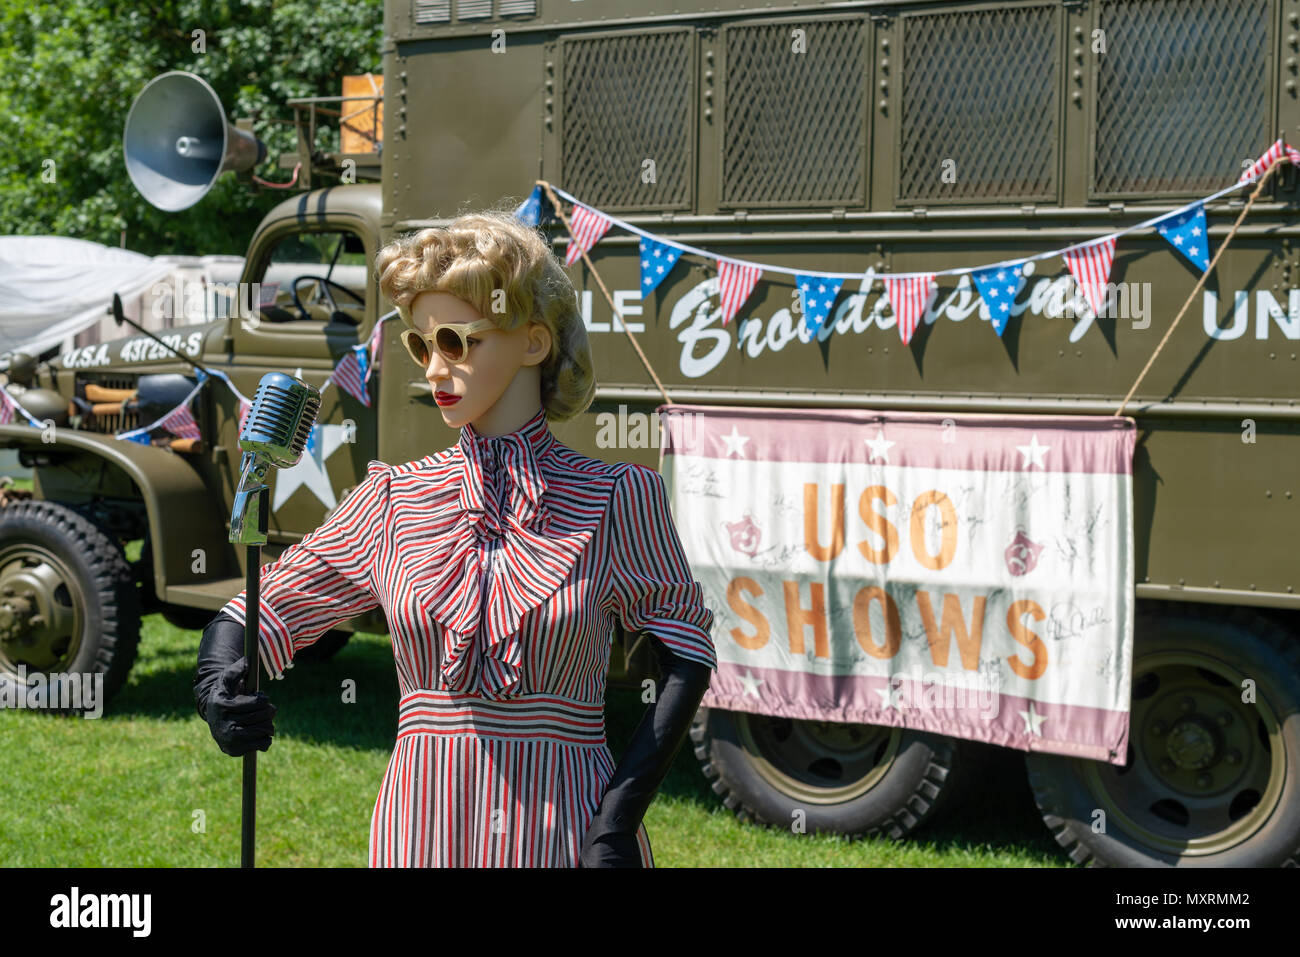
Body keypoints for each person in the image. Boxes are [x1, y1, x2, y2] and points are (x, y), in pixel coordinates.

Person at [192, 205, 716, 867]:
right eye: (419, 344)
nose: (434, 369)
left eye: (455, 341)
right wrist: (219, 681)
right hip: (420, 828)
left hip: (565, 829)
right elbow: (262, 608)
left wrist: (616, 821)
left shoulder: (618, 497)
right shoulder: (390, 499)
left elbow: (687, 657)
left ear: (534, 341)